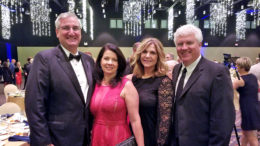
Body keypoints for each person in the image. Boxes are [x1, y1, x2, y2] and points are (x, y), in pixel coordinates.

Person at [25, 12, 95, 146]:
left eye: (75, 28)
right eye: (66, 28)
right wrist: (44, 141)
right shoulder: (44, 59)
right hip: (57, 139)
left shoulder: (88, 61)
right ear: (57, 32)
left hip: (86, 137)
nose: (71, 32)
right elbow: (34, 104)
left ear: (80, 32)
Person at [167, 24, 235, 146]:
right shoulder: (177, 70)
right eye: (180, 44)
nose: (184, 47)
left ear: (199, 44)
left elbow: (223, 120)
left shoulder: (217, 72)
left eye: (189, 43)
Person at [90, 43, 144, 146]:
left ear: (119, 63)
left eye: (114, 60)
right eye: (106, 58)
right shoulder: (95, 84)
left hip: (119, 138)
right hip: (97, 137)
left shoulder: (127, 85)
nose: (110, 62)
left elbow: (135, 120)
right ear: (100, 61)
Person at [129, 37, 168, 146]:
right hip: (130, 138)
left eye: (152, 53)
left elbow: (165, 122)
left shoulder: (164, 82)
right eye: (144, 52)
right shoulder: (133, 80)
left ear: (158, 57)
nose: (147, 56)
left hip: (151, 139)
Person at [233, 57, 260, 146]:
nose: (236, 66)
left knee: (252, 137)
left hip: (248, 109)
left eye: (237, 65)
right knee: (245, 133)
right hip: (254, 107)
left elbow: (226, 90)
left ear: (240, 67)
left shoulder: (240, 80)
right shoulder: (254, 77)